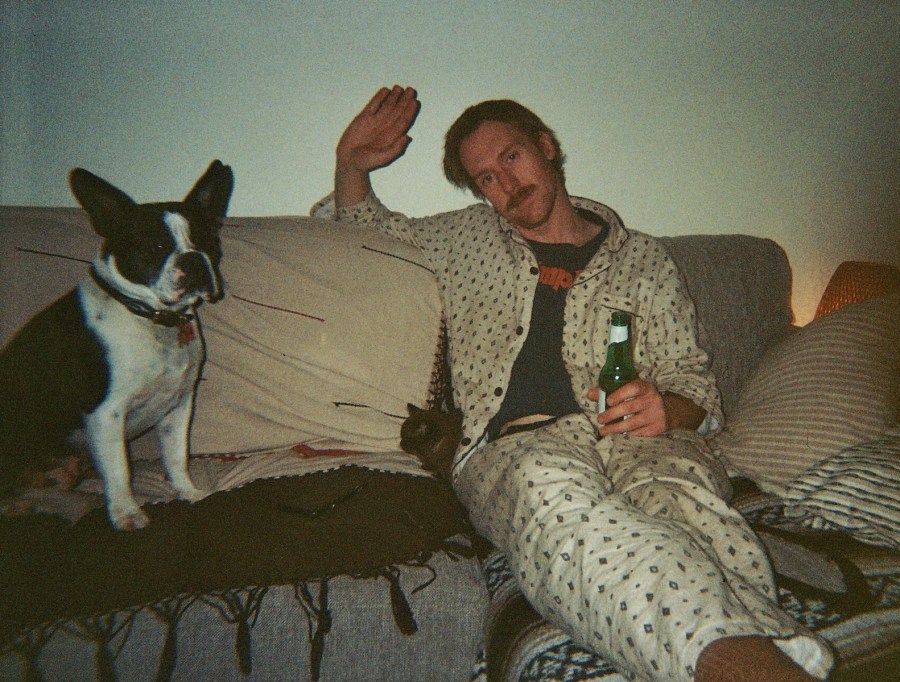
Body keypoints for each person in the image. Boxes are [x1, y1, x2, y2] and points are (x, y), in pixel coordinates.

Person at [314, 85, 833, 682]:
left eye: (512, 157)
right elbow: (361, 232)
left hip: (642, 443)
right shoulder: (464, 239)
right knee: (553, 497)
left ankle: (756, 653)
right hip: (520, 446)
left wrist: (669, 409)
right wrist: (350, 164)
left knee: (690, 513)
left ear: (546, 146)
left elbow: (693, 382)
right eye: (487, 178)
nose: (506, 185)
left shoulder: (644, 259)